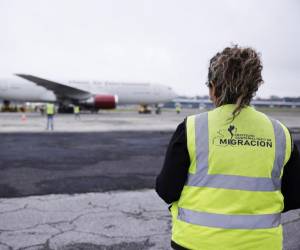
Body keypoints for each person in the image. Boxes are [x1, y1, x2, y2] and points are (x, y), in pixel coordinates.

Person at [156, 45, 300, 250]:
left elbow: (166, 190)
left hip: (196, 242)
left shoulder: (192, 128)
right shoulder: (280, 133)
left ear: (213, 87)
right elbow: (295, 196)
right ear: (253, 87)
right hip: (260, 244)